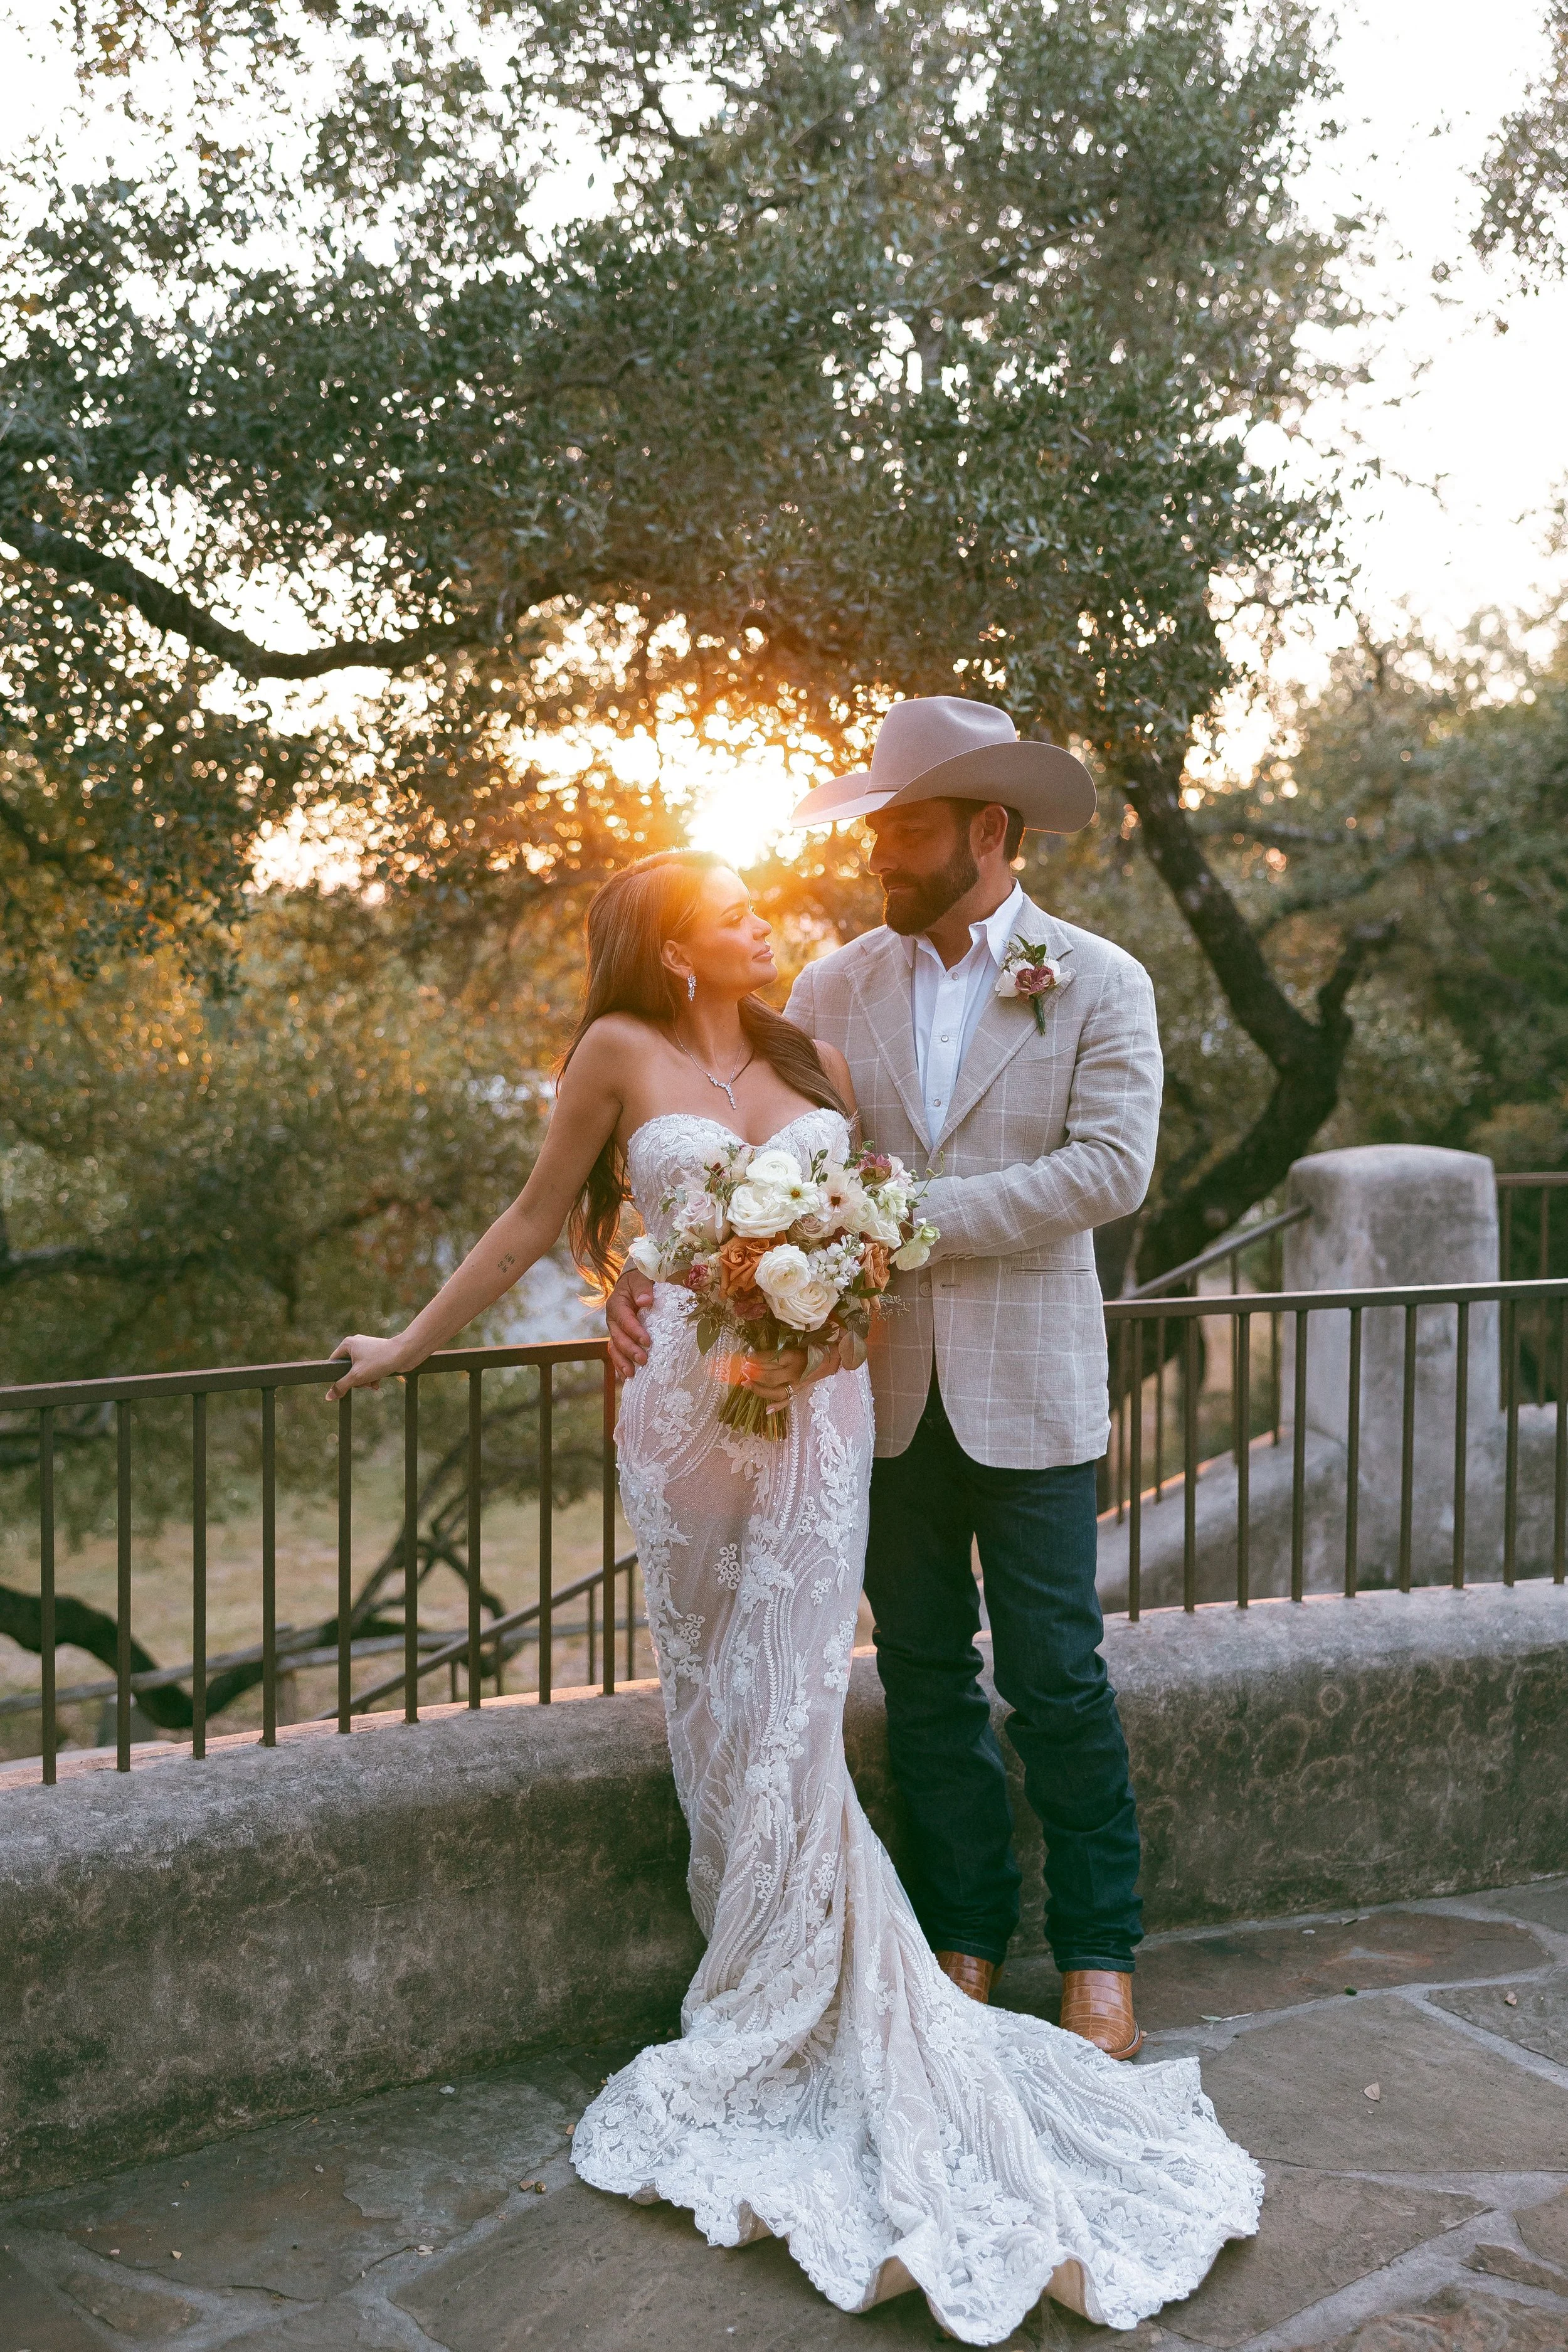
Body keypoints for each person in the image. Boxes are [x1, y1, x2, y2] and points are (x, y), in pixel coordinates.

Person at [329, 755, 1261, 2344]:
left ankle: (1095, 1958)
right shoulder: (827, 987)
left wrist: (875, 1235)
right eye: (756, 896)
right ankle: (940, 1945)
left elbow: (1098, 1175)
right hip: (827, 1410)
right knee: (875, 1682)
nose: (861, 860)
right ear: (685, 947)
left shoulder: (1082, 981)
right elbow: (598, 1205)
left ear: (984, 833)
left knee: (1054, 1671)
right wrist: (605, 1288)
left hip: (999, 1389)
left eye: (899, 829)